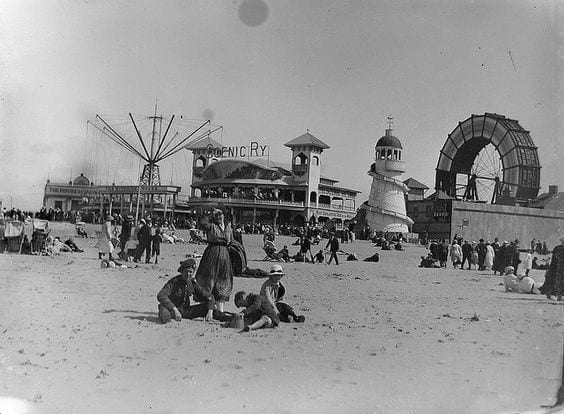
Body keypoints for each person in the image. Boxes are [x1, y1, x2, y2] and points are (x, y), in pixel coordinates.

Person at [195, 207, 246, 318]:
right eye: (216, 215)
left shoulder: (228, 226)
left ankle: (220, 311)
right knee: (209, 280)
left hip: (225, 256)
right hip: (212, 254)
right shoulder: (211, 226)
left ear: (224, 215)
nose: (219, 216)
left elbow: (232, 241)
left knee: (223, 281)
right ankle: (209, 308)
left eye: (220, 214)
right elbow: (202, 222)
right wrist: (208, 213)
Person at [157, 258, 230, 324]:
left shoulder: (191, 283)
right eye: (186, 271)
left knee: (207, 308)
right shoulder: (174, 282)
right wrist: (175, 310)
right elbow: (161, 295)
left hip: (184, 311)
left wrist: (210, 310)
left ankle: (229, 318)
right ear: (181, 271)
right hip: (171, 310)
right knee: (164, 314)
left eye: (191, 272)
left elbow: (209, 296)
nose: (188, 274)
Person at [540, 236, 564, 301]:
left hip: (555, 266)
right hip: (562, 267)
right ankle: (560, 296)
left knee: (552, 279)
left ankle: (549, 294)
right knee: (561, 281)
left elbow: (554, 259)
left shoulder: (557, 248)